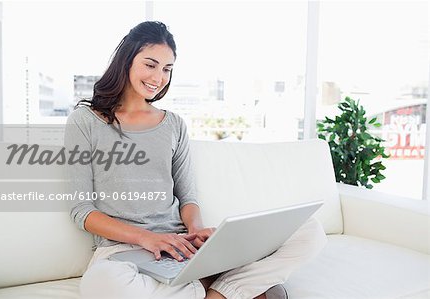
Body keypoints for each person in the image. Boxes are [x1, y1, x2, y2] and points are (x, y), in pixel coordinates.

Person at [64, 21, 328, 299]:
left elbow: (187, 196)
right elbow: (82, 210)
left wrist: (196, 231)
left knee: (310, 230)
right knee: (101, 284)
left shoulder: (173, 124)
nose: (159, 77)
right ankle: (225, 288)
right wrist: (146, 237)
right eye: (150, 65)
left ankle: (218, 289)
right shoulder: (86, 120)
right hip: (122, 251)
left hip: (181, 245)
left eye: (167, 69)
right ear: (126, 61)